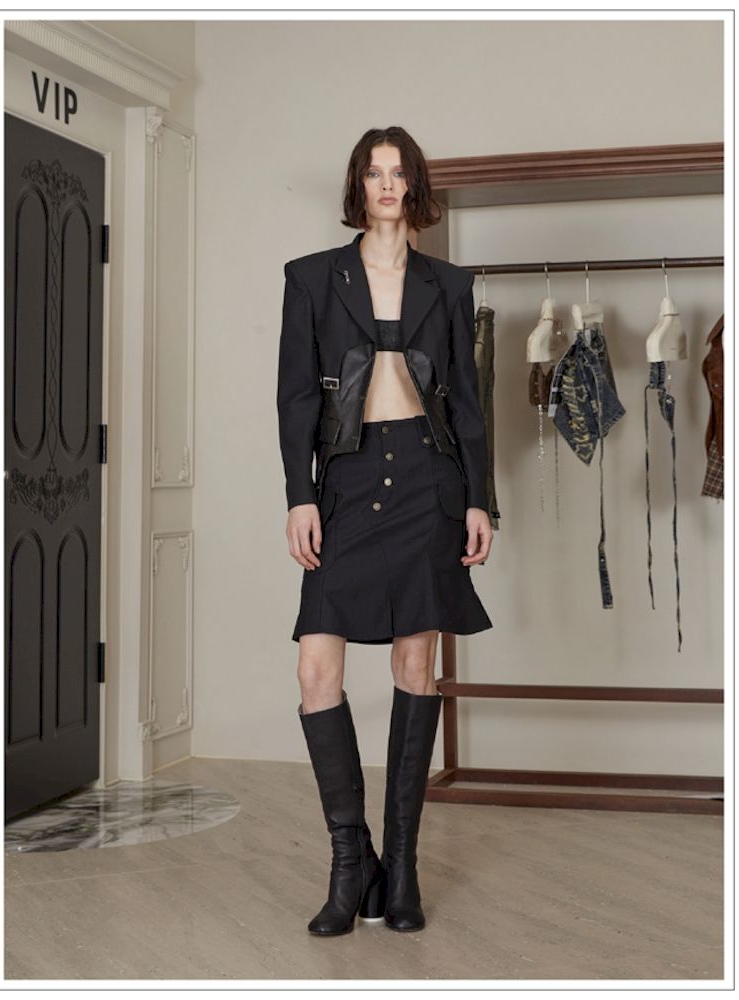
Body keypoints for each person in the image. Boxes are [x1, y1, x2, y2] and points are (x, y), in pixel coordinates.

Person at [276, 126, 494, 936]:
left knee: (415, 664)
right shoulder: (311, 278)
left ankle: (400, 865)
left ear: (415, 186)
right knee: (315, 667)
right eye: (374, 173)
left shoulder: (449, 283)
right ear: (358, 187)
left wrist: (479, 499)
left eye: (399, 173)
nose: (388, 185)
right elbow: (296, 398)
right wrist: (300, 495)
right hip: (349, 478)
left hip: (428, 479)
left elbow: (467, 402)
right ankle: (350, 862)